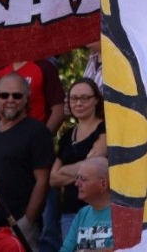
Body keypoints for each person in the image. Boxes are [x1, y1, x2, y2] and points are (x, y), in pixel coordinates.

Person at [0, 74, 53, 250]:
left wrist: (27, 221)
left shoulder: (38, 132)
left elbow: (42, 181)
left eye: (17, 95)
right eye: (4, 95)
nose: (10, 100)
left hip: (20, 226)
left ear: (26, 99)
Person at [51, 78, 106, 238]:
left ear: (96, 100)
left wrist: (64, 170)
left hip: (97, 210)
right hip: (69, 212)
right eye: (74, 98)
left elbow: (95, 168)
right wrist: (84, 168)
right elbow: (53, 179)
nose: (78, 103)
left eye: (85, 98)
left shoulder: (105, 129)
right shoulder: (67, 135)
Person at [58, 157, 112, 252]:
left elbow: (123, 250)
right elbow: (65, 249)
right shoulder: (82, 213)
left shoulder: (122, 213)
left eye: (83, 179)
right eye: (77, 178)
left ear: (103, 184)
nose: (76, 183)